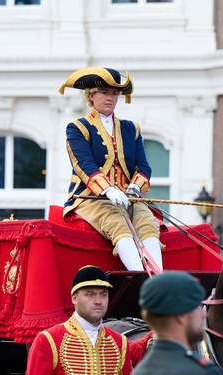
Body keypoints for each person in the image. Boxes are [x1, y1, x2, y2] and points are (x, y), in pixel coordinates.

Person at [58, 67, 162, 272]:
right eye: (105, 92)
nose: (111, 98)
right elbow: (83, 165)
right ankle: (139, 277)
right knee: (117, 223)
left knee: (147, 222)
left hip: (128, 196)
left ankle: (158, 278)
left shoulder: (131, 128)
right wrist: (108, 189)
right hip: (91, 198)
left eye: (115, 93)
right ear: (91, 95)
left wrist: (135, 187)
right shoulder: (77, 128)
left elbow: (143, 166)